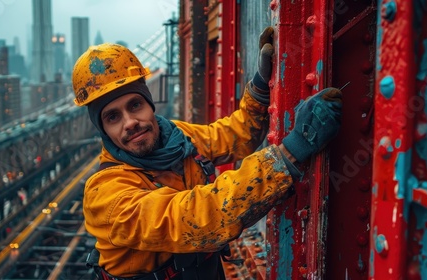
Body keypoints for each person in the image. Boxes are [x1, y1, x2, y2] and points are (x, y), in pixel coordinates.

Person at [72, 26, 342, 280]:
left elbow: (232, 136)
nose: (130, 122)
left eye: (135, 105)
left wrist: (260, 89)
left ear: (150, 104)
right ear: (103, 130)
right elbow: (197, 218)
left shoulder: (176, 137)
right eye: (112, 117)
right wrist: (289, 154)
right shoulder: (105, 196)